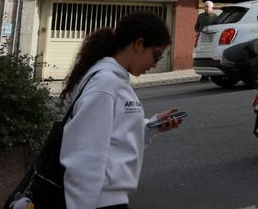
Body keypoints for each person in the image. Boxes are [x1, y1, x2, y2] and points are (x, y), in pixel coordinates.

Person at [59, 11, 183, 209]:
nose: (154, 64)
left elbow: (115, 134)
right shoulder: (105, 82)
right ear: (138, 44)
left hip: (110, 199)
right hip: (100, 201)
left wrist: (152, 125)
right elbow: (85, 154)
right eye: (156, 55)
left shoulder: (115, 78)